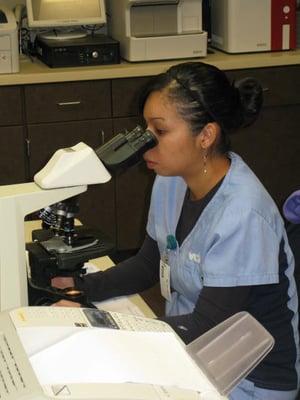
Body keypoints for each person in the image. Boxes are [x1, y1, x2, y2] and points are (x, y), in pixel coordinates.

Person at [52, 61, 299, 399]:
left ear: (206, 135)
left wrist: (96, 321)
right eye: (145, 130)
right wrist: (79, 287)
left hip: (251, 377)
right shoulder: (171, 180)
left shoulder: (243, 214)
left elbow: (206, 330)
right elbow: (148, 264)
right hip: (194, 351)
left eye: (160, 131)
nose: (145, 145)